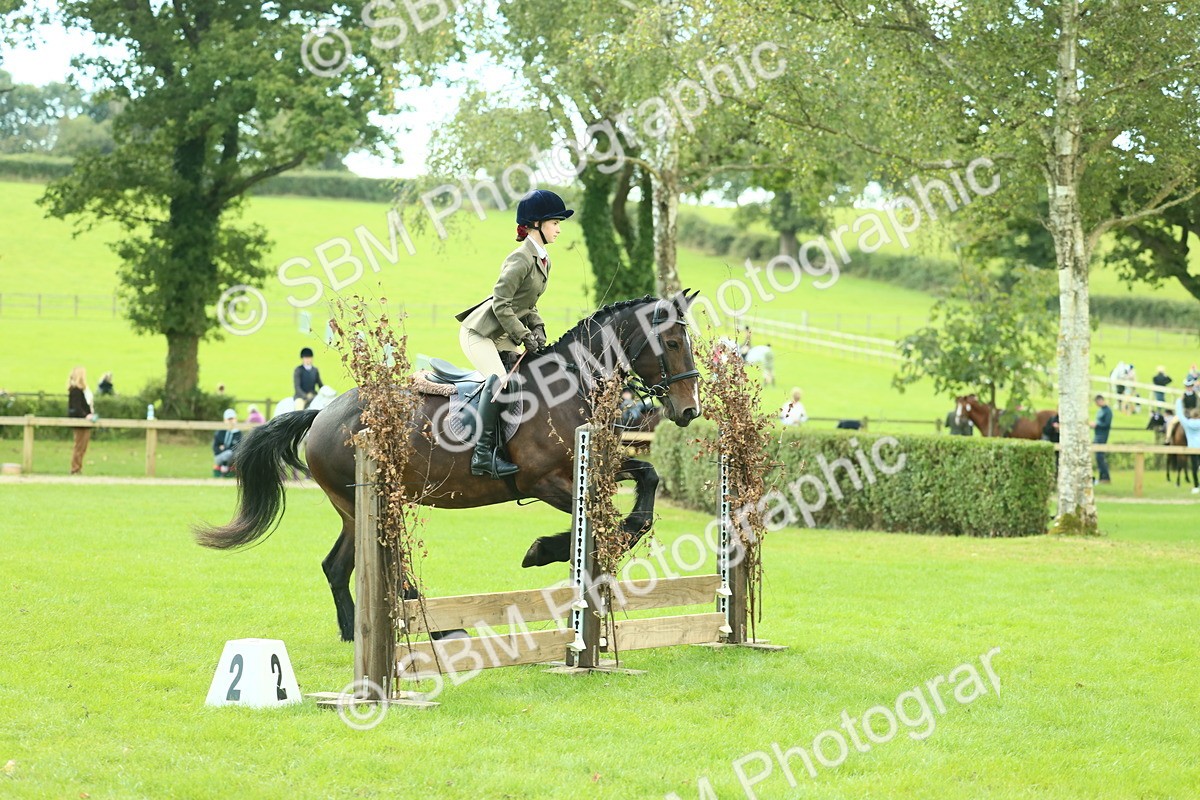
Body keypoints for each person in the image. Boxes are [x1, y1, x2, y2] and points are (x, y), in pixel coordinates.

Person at [455, 189, 572, 479]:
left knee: (528, 378)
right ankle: (482, 455)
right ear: (536, 225)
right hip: (481, 333)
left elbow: (528, 304)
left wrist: (539, 327)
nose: (558, 229)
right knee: (500, 383)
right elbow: (501, 302)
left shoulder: (543, 259)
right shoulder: (520, 258)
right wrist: (523, 334)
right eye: (555, 222)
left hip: (503, 332)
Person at [66, 366, 97, 475]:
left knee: (83, 446)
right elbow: (77, 407)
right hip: (80, 422)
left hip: (85, 422)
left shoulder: (82, 390)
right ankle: (75, 468)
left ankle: (78, 467)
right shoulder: (75, 391)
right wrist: (86, 416)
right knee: (79, 445)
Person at [1173, 397, 1200, 493]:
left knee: (1194, 467)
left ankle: (1197, 486)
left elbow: (1180, 415)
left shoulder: (1187, 424)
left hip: (1192, 448)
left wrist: (1178, 401)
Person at [1088, 394, 1112, 484]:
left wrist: (1096, 425)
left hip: (1102, 436)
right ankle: (1101, 476)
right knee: (1098, 457)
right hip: (1097, 435)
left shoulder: (1107, 411)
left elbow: (1107, 424)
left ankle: (1105, 476)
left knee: (1100, 456)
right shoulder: (1100, 411)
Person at [212, 409, 242, 477]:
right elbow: (215, 447)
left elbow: (238, 448)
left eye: (232, 419)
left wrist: (224, 448)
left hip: (233, 457)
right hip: (220, 457)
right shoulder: (220, 432)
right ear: (225, 420)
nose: (231, 421)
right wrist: (226, 449)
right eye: (229, 419)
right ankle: (224, 469)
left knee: (233, 453)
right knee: (228, 453)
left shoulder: (238, 433)